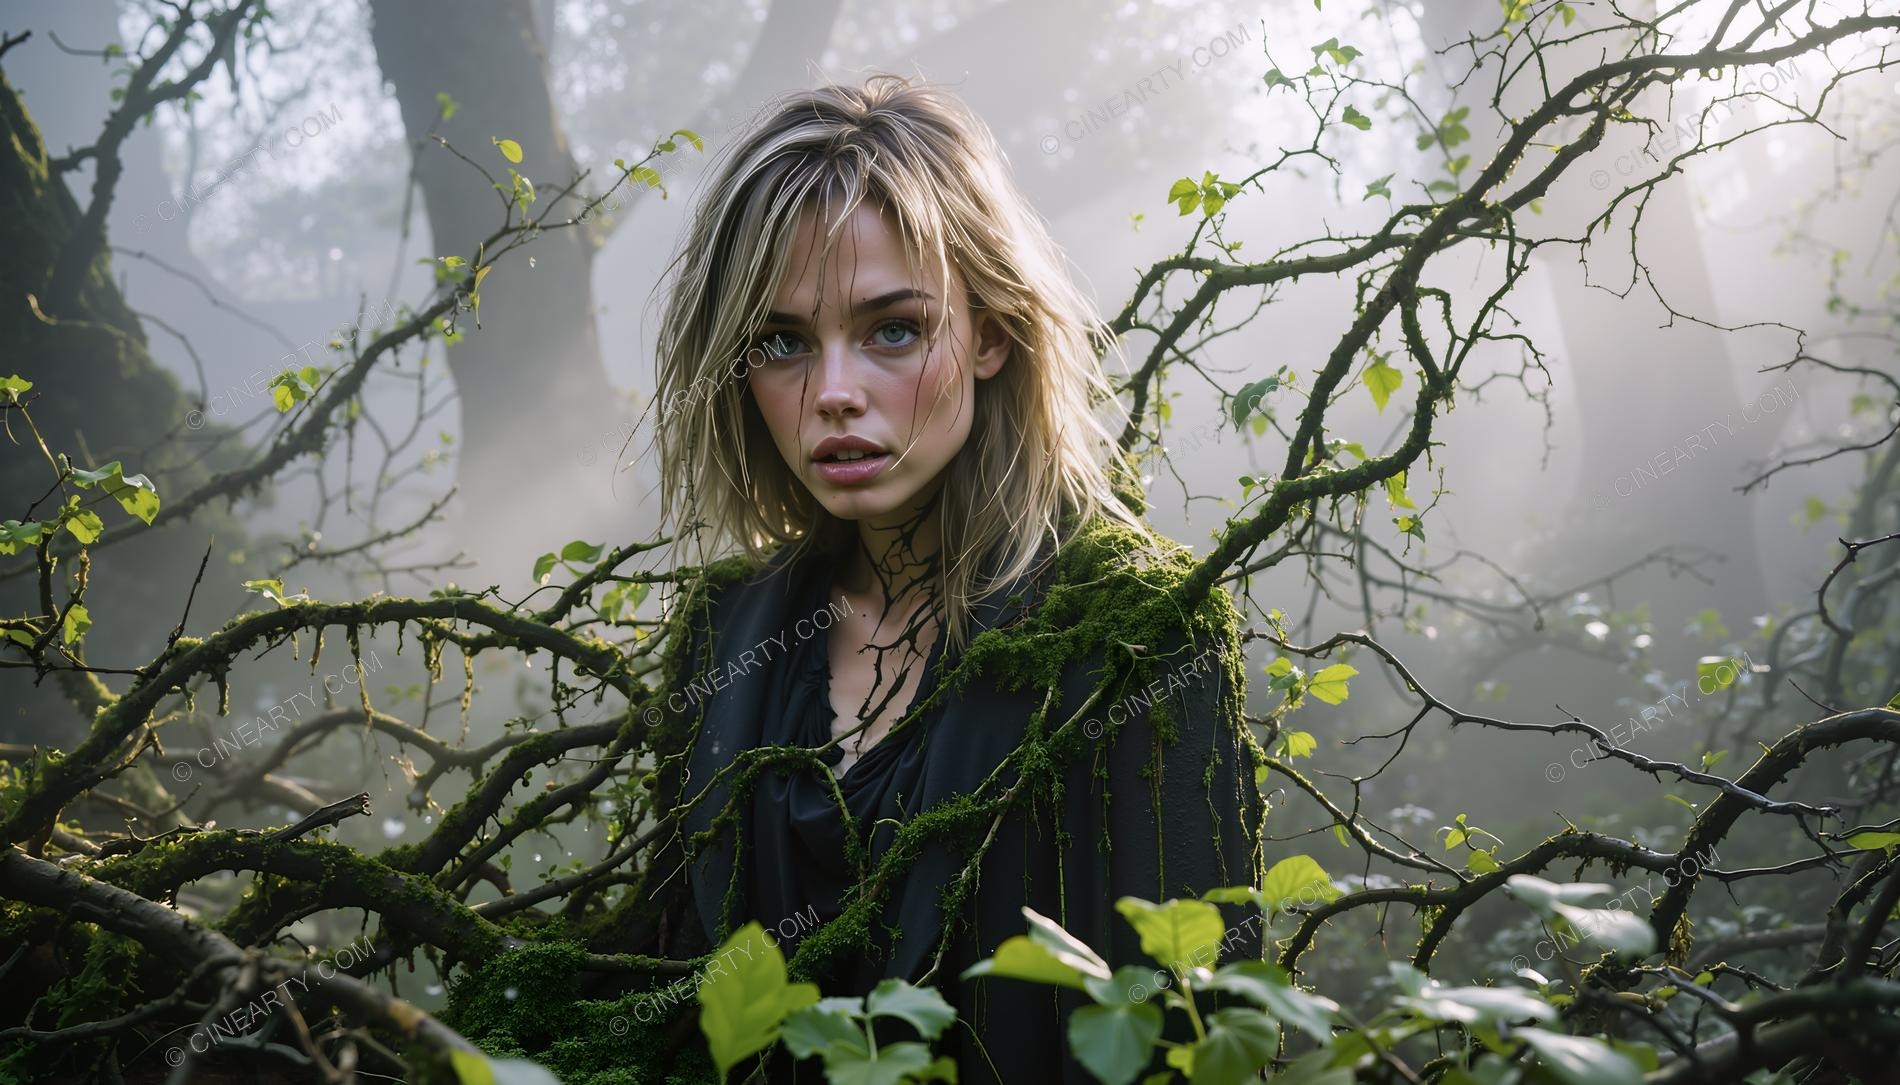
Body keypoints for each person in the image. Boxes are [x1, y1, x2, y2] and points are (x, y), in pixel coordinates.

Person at [640, 73, 1265, 1082]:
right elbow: (664, 997)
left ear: (990, 331)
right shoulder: (727, 632)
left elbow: (1195, 1035)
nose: (833, 393)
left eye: (893, 328)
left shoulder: (1136, 626)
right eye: (781, 341)